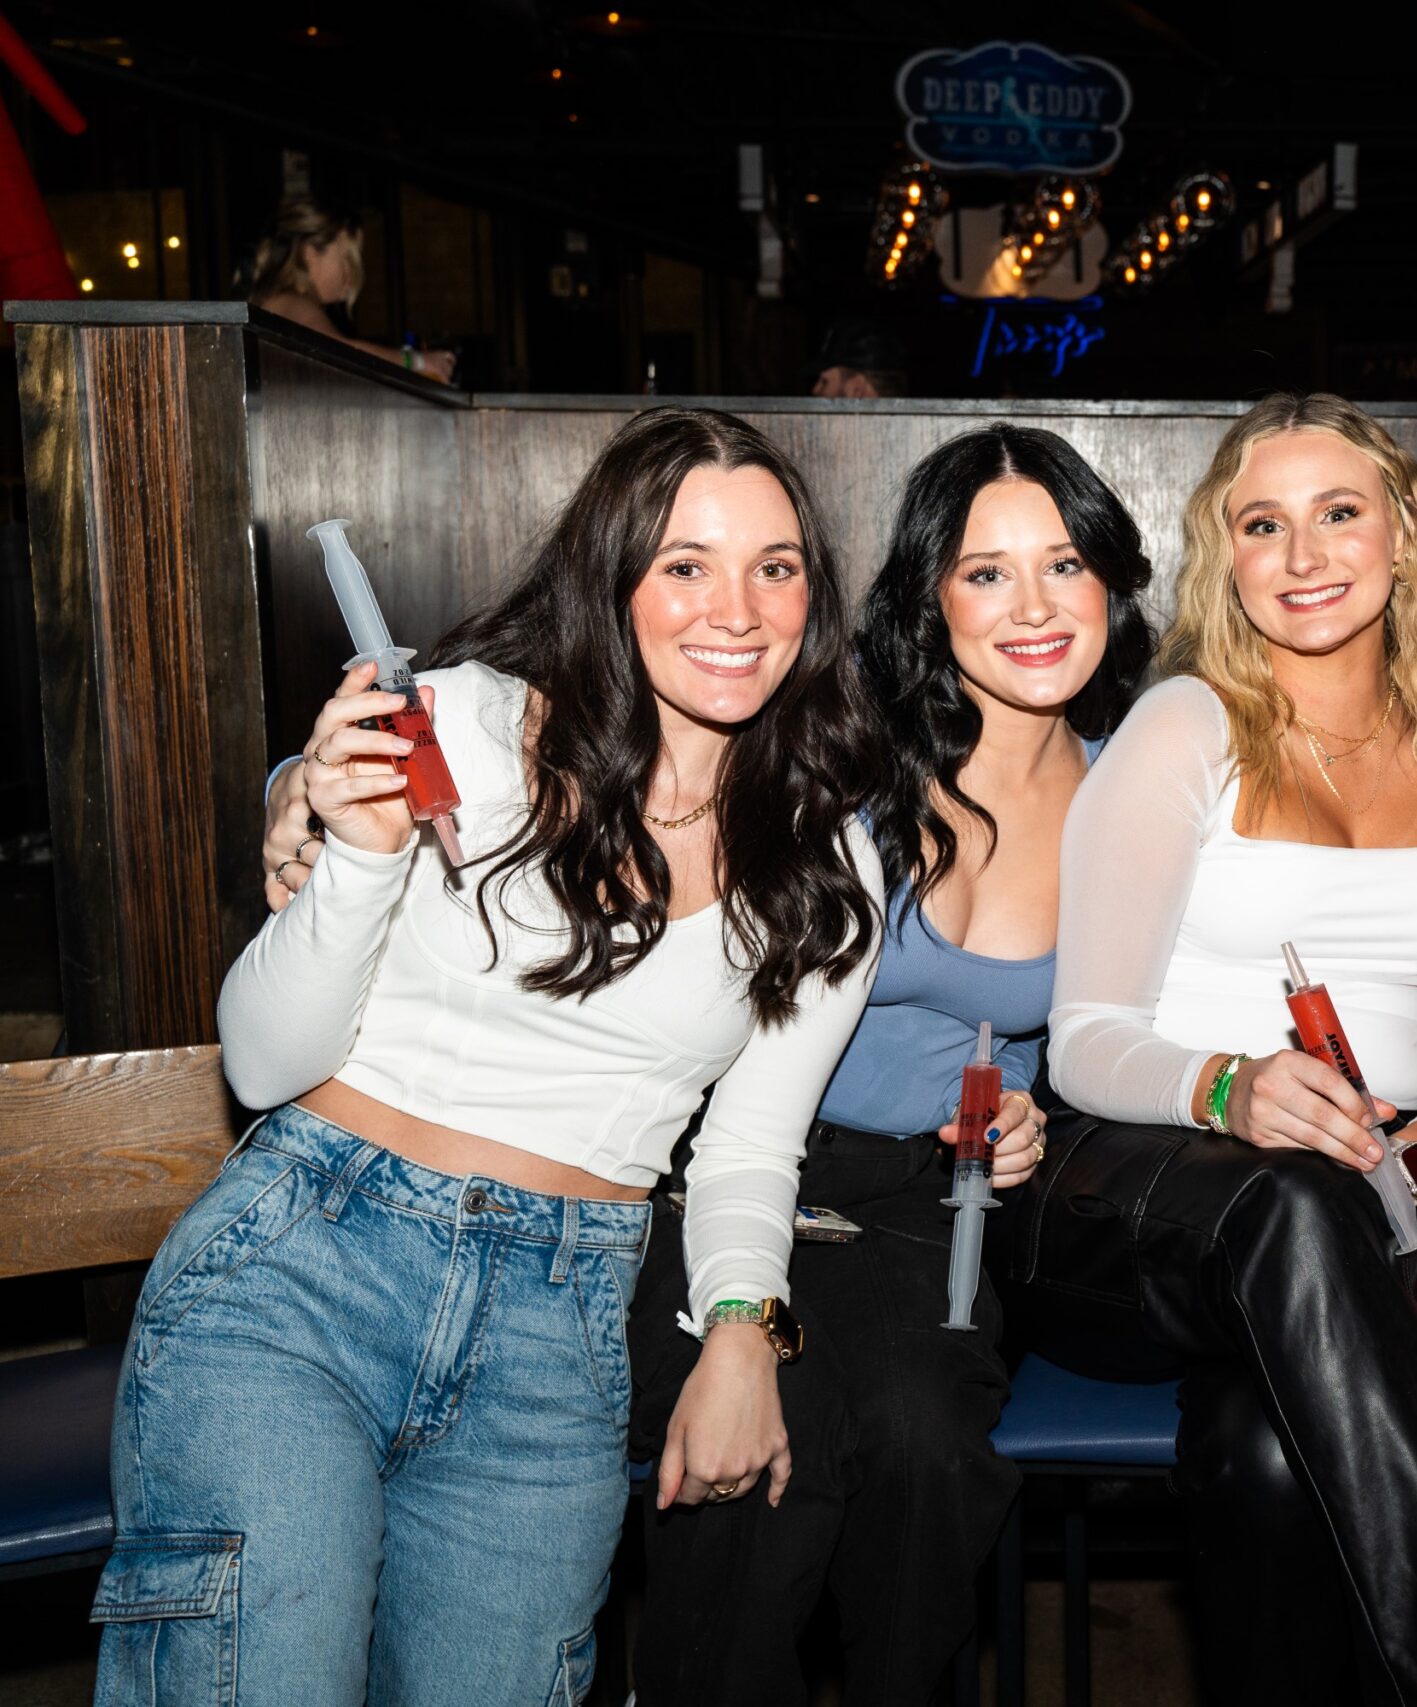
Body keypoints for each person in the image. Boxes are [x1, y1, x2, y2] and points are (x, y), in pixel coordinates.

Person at [99, 408, 883, 1705]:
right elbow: (259, 1057)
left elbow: (752, 1143)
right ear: (611, 574)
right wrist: (344, 846)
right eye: (684, 562)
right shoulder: (462, 721)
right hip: (306, 1257)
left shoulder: (825, 858)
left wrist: (743, 1332)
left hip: (560, 1323)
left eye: (776, 564)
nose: (736, 606)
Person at [1015, 392, 1417, 1706]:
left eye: (1339, 513)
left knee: (1261, 1456)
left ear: (1406, 537)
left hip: (1370, 1218)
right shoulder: (1186, 726)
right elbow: (1081, 1040)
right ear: (1227, 557)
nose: (1305, 555)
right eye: (1265, 523)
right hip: (1130, 1201)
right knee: (1298, 1191)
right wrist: (1228, 1084)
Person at [625, 425, 1152, 1703]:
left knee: (925, 1456)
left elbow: (1137, 1035)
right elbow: (571, 763)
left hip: (931, 1208)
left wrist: (1044, 1118)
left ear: (1111, 588)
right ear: (931, 597)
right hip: (725, 1182)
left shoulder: (1143, 789)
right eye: (985, 573)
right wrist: (296, 794)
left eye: (1065, 565)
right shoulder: (836, 748)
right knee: (776, 1450)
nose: (1031, 607)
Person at [245, 196, 457, 383]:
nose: (353, 272)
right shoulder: (292, 301)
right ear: (309, 252)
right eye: (347, 258)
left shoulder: (277, 299)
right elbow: (340, 354)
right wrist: (417, 361)